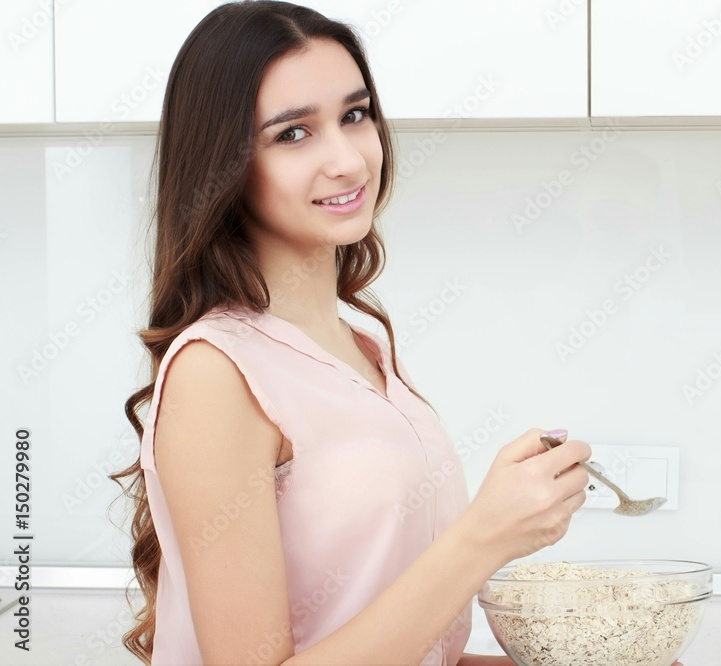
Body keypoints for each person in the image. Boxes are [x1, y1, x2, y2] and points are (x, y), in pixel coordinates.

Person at [108, 2, 594, 664]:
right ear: (224, 165)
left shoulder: (361, 347)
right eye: (292, 134)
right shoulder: (216, 373)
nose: (347, 159)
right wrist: (486, 534)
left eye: (355, 115)